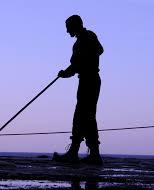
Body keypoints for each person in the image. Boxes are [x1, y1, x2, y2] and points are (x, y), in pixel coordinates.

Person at [53, 15, 104, 165]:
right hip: (89, 80)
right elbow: (97, 52)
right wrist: (67, 72)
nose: (67, 31)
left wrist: (66, 72)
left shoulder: (85, 39)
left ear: (75, 26)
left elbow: (77, 65)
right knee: (87, 117)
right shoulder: (85, 39)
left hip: (89, 81)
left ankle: (75, 153)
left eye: (68, 28)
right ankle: (93, 154)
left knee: (81, 116)